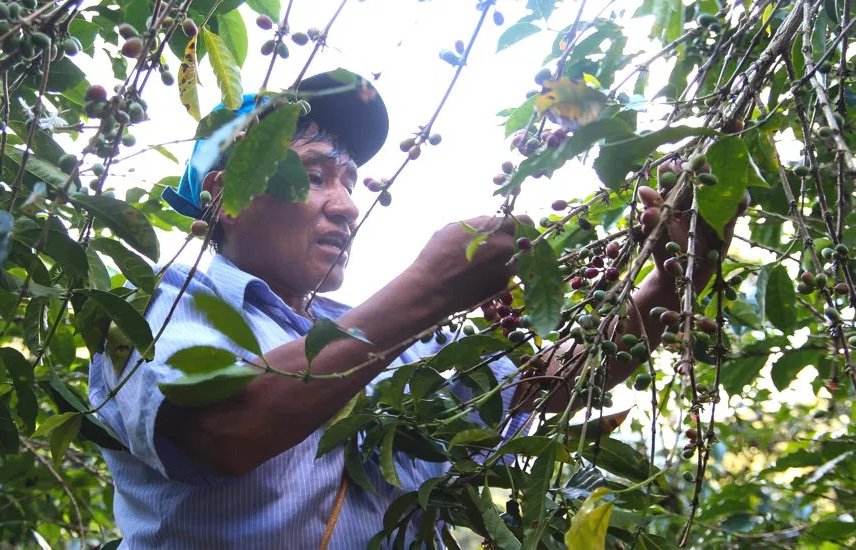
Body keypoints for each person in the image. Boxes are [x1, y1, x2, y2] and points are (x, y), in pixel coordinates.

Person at [88, 69, 737, 549]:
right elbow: (222, 435)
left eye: (349, 181)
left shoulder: (365, 332)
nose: (345, 205)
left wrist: (678, 277)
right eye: (313, 176)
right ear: (225, 197)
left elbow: (541, 389)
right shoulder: (161, 309)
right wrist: (427, 291)